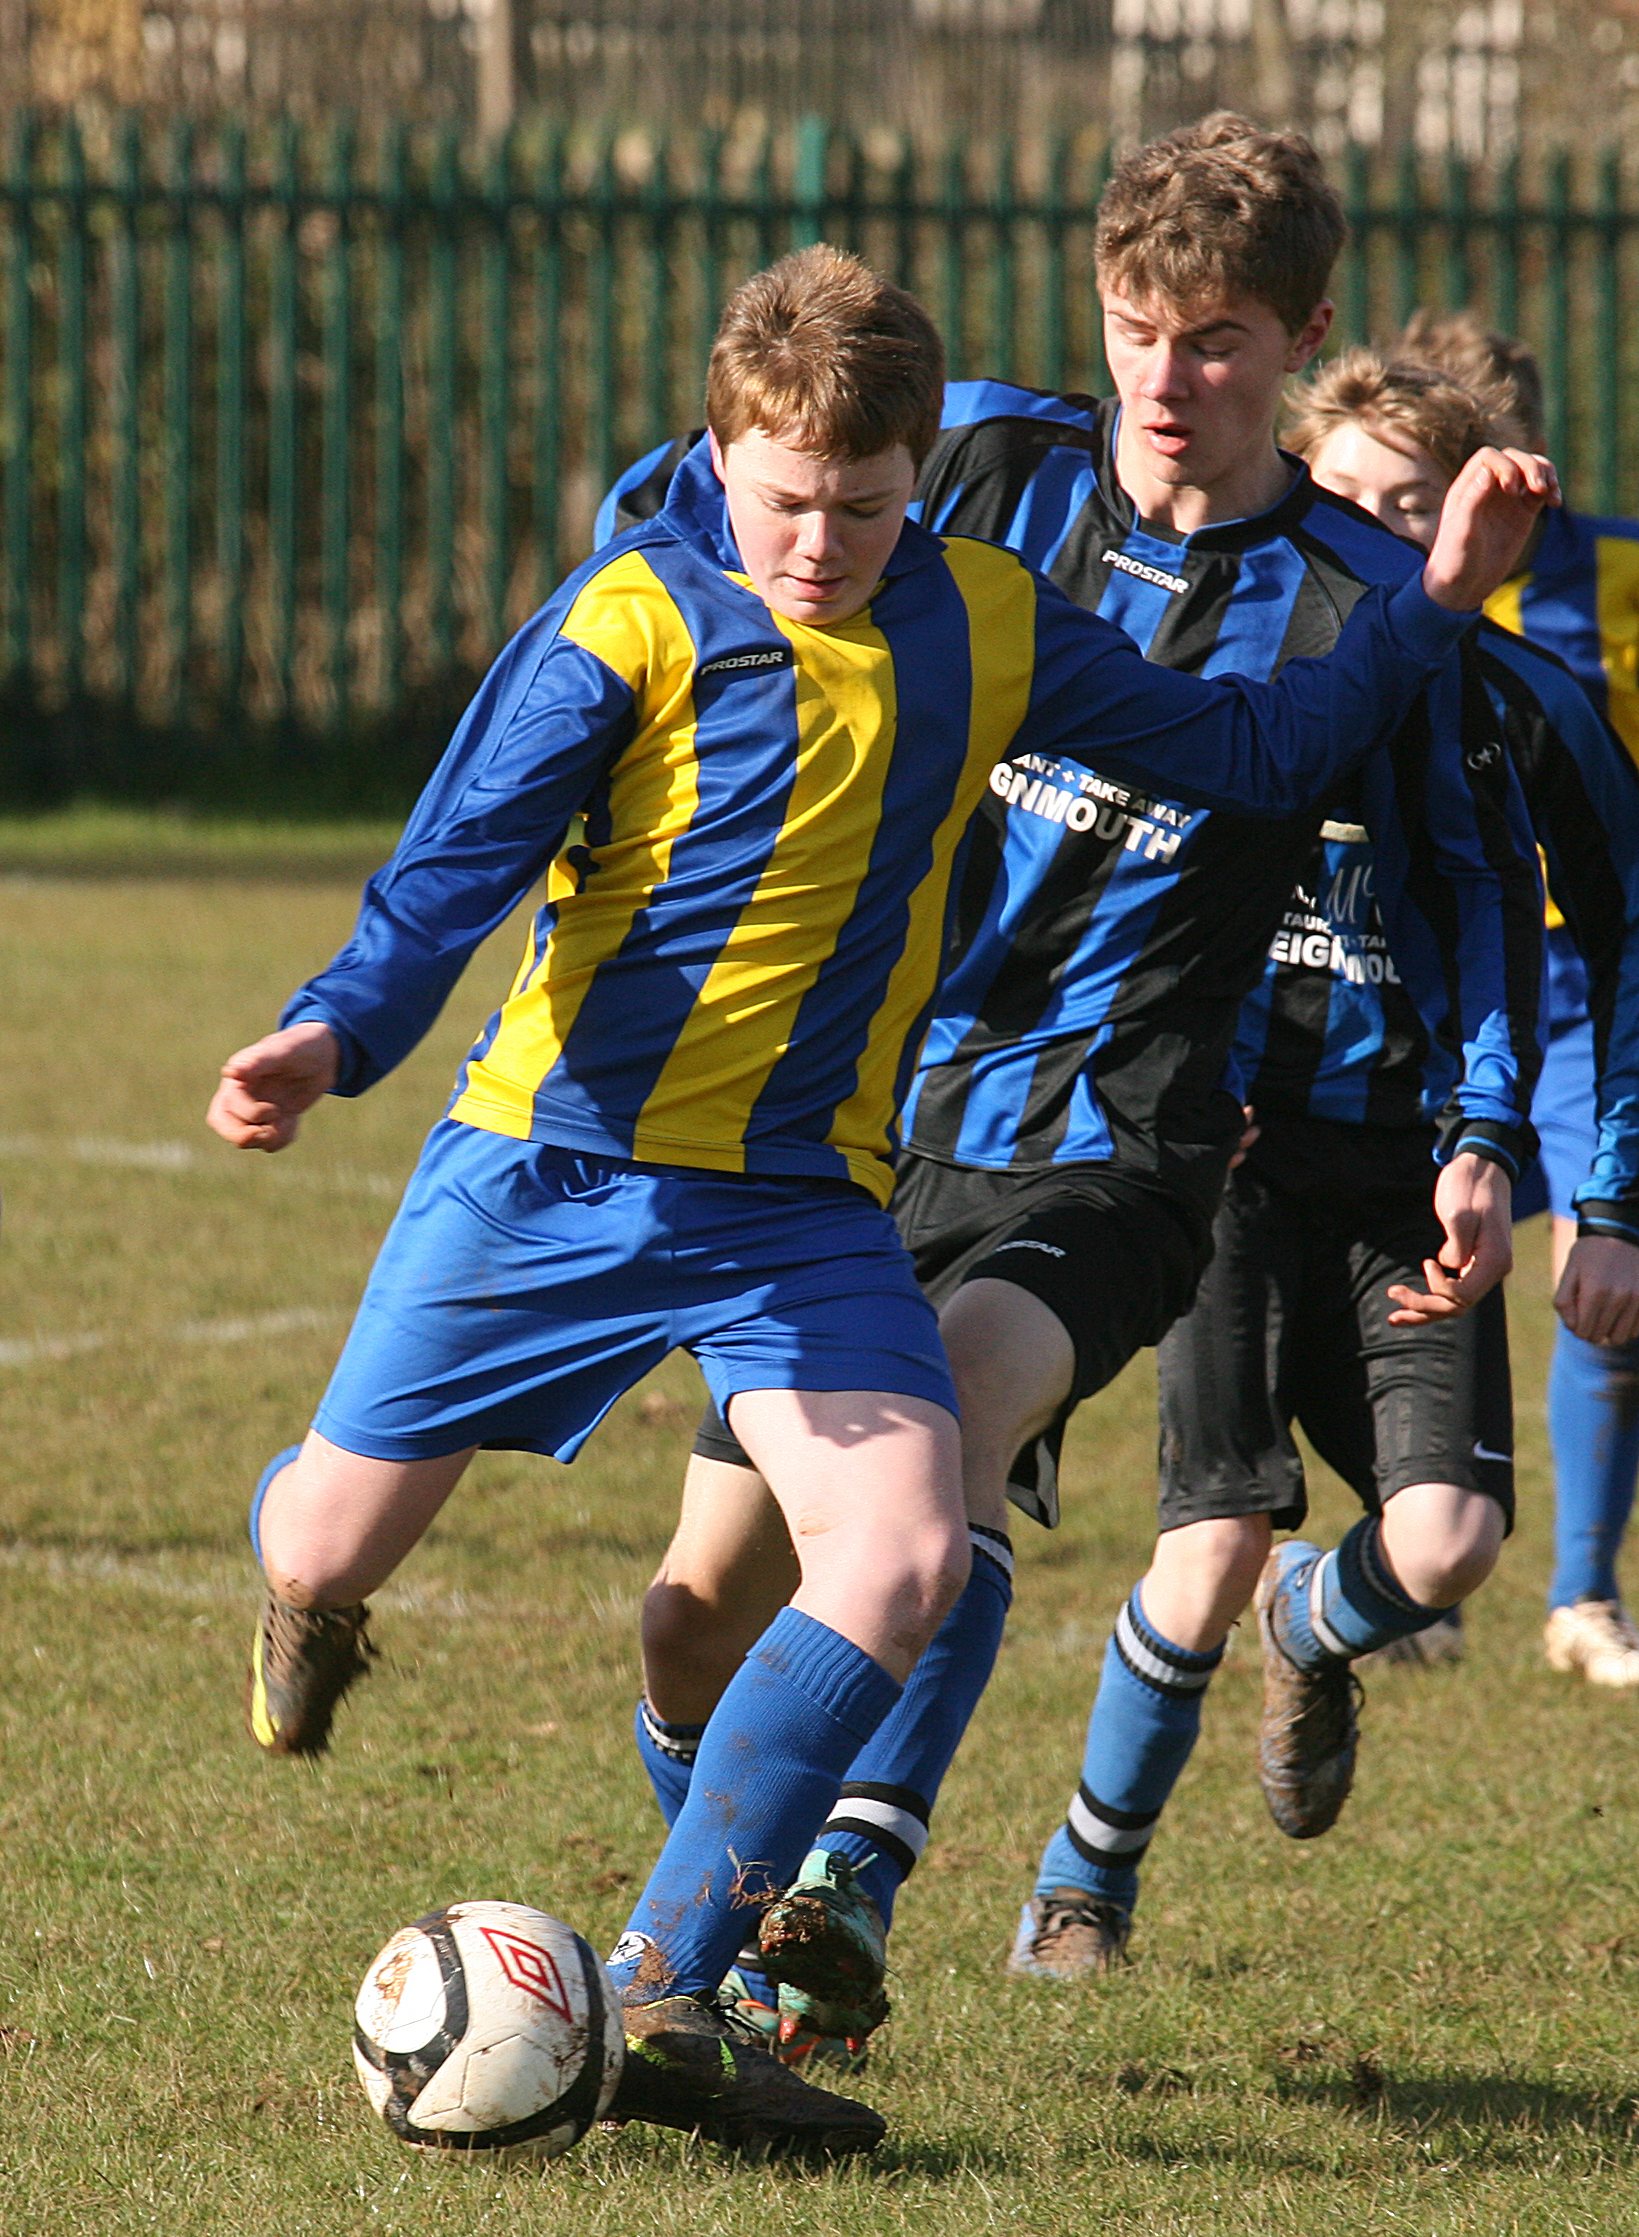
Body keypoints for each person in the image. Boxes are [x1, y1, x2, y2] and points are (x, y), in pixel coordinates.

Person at [205, 243, 1538, 2153]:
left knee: (912, 1549)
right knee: (330, 1542)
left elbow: (1260, 751)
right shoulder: (627, 619)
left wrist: (1425, 606)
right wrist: (331, 1033)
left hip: (797, 1202)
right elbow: (452, 865)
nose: (816, 543)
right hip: (546, 1169)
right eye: (779, 501)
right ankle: (302, 1597)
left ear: (926, 472)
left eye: (859, 503)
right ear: (718, 457)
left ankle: (667, 1988)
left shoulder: (987, 619)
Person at [602, 115, 1551, 2049]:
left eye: (1217, 340)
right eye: (1138, 326)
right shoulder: (986, 468)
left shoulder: (1375, 593)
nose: (1169, 377)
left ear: (1302, 339)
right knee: (699, 1600)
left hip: (1122, 1136)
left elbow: (1465, 876)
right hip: (856, 1109)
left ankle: (811, 1901)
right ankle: (738, 1818)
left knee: (937, 1460)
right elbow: (712, 519)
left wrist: (1484, 1126)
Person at [1398, 309, 1639, 1688]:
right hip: (1442, 968)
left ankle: (1581, 1593)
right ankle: (1423, 1560)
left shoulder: (1615, 576)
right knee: (1436, 1249)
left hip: (1582, 973)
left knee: (1604, 1266)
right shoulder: (1380, 580)